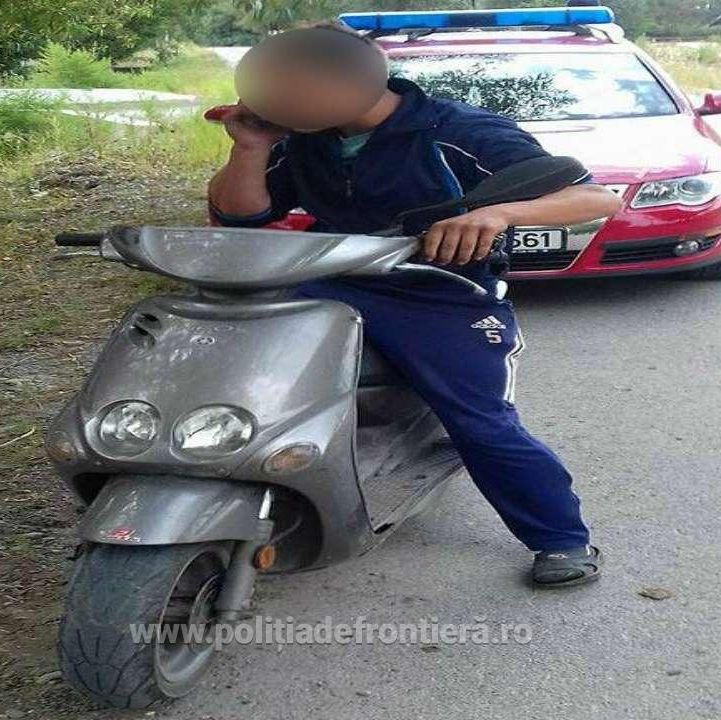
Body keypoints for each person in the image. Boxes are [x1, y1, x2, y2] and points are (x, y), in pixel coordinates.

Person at [207, 24, 622, 586]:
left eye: (298, 89)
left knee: (479, 422)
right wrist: (250, 148)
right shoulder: (306, 138)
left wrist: (498, 214)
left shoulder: (459, 132)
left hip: (440, 294)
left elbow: (594, 197)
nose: (283, 100)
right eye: (277, 88)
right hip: (331, 282)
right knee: (238, 372)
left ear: (348, 81)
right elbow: (241, 217)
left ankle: (561, 537)